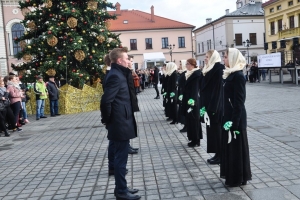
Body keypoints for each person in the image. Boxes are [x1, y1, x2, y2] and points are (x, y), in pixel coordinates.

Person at [100, 48, 140, 200]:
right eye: (127, 59)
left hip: (123, 120)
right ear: (119, 61)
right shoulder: (115, 76)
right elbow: (106, 101)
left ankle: (122, 187)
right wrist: (108, 120)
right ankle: (121, 192)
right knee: (120, 159)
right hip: (119, 122)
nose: (129, 61)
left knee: (121, 157)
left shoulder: (120, 74)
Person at [221, 48, 252, 187]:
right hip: (228, 115)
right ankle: (234, 175)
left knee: (237, 149)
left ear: (233, 58)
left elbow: (239, 101)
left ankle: (239, 177)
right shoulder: (229, 74)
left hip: (236, 117)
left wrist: (235, 122)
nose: (224, 59)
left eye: (226, 57)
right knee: (232, 148)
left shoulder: (238, 76)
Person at [200, 50, 224, 165]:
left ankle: (220, 154)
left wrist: (213, 108)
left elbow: (217, 91)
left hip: (215, 106)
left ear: (213, 57)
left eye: (207, 57)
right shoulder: (208, 69)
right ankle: (216, 153)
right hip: (208, 105)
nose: (205, 59)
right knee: (212, 132)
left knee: (217, 131)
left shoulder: (218, 70)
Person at [181, 59, 202, 147]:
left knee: (194, 120)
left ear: (193, 65)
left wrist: (192, 101)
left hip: (193, 101)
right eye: (186, 64)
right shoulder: (188, 74)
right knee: (190, 120)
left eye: (188, 64)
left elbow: (195, 89)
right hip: (188, 99)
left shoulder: (196, 74)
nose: (186, 66)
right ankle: (193, 138)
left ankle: (196, 139)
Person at [177, 60, 187, 132]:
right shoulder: (182, 73)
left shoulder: (185, 73)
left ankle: (186, 125)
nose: (179, 65)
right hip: (181, 92)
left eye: (181, 64)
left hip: (183, 93)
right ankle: (185, 125)